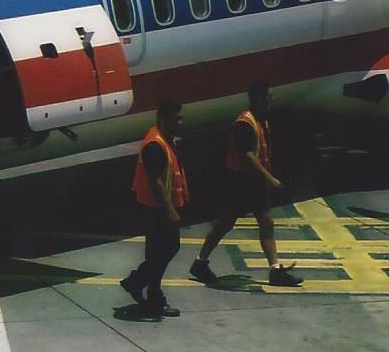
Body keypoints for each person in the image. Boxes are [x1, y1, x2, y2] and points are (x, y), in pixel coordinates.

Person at [189, 82, 303, 287]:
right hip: (240, 181)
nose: (273, 99)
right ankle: (200, 262)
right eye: (269, 95)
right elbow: (248, 156)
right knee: (225, 223)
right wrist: (270, 178)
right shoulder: (244, 123)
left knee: (266, 222)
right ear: (258, 98)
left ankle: (275, 269)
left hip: (254, 181)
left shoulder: (260, 120)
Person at [121, 100, 186, 318]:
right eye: (176, 118)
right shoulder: (155, 145)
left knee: (159, 252)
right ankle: (141, 284)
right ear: (163, 119)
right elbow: (155, 181)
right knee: (166, 249)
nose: (181, 121)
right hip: (155, 207)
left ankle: (148, 290)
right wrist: (169, 209)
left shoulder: (164, 139)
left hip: (158, 206)